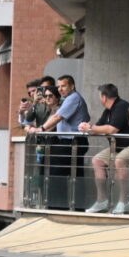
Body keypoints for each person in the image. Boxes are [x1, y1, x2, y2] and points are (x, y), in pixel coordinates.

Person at [79, 84, 129, 211]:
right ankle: (102, 200)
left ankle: (123, 202)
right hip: (117, 147)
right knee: (97, 160)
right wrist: (86, 127)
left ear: (104, 97)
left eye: (100, 96)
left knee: (119, 160)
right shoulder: (108, 111)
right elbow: (97, 128)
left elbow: (112, 129)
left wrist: (91, 128)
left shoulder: (122, 106)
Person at [41, 73, 88, 208]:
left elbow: (57, 117)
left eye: (63, 86)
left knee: (57, 173)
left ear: (72, 86)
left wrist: (41, 129)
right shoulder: (69, 99)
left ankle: (57, 205)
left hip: (72, 141)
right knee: (73, 174)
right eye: (59, 86)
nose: (60, 89)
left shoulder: (73, 98)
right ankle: (73, 205)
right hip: (70, 141)